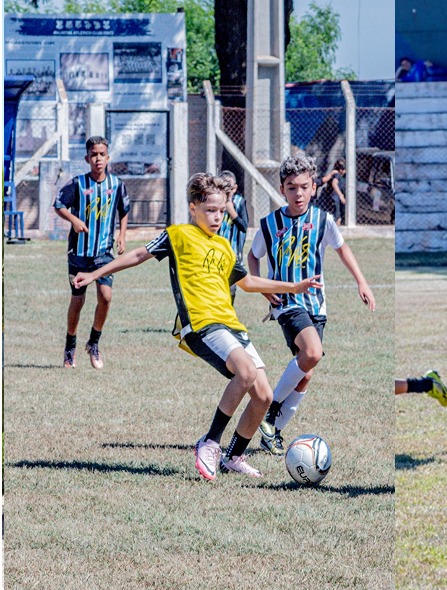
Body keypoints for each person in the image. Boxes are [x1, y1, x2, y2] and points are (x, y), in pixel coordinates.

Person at [73, 173, 322, 481]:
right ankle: (210, 442)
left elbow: (247, 282)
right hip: (201, 325)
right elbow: (138, 254)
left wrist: (293, 286)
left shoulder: (224, 246)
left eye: (221, 210)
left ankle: (234, 456)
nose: (217, 217)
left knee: (264, 397)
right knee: (244, 373)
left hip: (231, 325)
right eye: (210, 211)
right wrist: (96, 274)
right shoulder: (177, 236)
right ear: (193, 209)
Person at [247, 154, 376, 456]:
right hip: (287, 303)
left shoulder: (323, 220)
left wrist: (362, 281)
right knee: (312, 353)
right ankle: (270, 409)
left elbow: (343, 250)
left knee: (306, 371)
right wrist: (262, 287)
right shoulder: (270, 224)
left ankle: (273, 432)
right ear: (282, 189)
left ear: (314, 187)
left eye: (304, 186)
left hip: (316, 304)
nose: (299, 193)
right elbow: (252, 256)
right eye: (292, 187)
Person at [54, 135, 130, 370]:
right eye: (93, 155)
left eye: (102, 154)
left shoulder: (117, 184)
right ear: (87, 158)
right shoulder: (77, 184)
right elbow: (58, 205)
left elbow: (123, 208)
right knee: (78, 301)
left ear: (108, 157)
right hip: (79, 253)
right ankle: (70, 348)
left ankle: (94, 343)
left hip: (104, 253)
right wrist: (74, 220)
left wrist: (122, 234)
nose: (98, 159)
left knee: (106, 297)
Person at [217, 170, 249, 303]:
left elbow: (244, 227)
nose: (226, 190)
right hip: (216, 255)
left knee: (230, 290)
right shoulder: (215, 203)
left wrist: (232, 212)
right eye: (222, 187)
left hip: (234, 256)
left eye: (229, 187)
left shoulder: (240, 202)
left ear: (235, 188)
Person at [316, 158, 347, 225]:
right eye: (344, 169)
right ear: (341, 170)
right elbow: (334, 183)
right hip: (333, 199)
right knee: (337, 218)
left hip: (330, 199)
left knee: (335, 217)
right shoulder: (337, 174)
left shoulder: (335, 174)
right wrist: (340, 195)